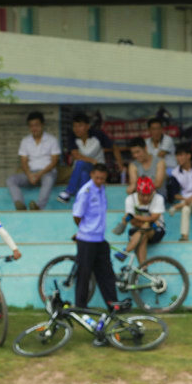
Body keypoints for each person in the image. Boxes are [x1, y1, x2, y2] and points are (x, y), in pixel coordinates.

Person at [71, 164, 120, 324]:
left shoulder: (101, 189)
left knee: (107, 274)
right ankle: (80, 307)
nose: (99, 180)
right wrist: (84, 230)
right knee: (84, 275)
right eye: (97, 177)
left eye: (102, 178)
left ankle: (113, 305)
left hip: (100, 239)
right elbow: (77, 215)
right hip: (86, 240)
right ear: (92, 175)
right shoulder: (85, 191)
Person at [7, 111, 61, 211]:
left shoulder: (52, 140)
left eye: (36, 125)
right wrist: (29, 175)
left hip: (47, 172)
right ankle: (20, 205)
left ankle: (38, 207)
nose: (34, 128)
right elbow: (23, 161)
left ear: (43, 125)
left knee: (48, 179)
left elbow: (54, 162)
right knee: (11, 180)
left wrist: (39, 174)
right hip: (30, 173)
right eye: (31, 126)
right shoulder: (25, 141)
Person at [56, 115, 106, 204]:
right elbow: (76, 155)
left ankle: (69, 191)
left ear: (87, 126)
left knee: (80, 163)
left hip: (97, 169)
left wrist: (121, 165)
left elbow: (113, 147)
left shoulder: (97, 135)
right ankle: (83, 200)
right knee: (83, 172)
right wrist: (91, 160)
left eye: (80, 126)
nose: (76, 129)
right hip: (83, 169)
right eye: (74, 126)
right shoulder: (72, 137)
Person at [120, 176, 165, 265]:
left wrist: (135, 217)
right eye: (143, 195)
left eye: (149, 195)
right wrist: (144, 221)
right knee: (143, 234)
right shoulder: (130, 199)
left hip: (156, 230)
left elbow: (154, 218)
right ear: (137, 192)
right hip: (138, 229)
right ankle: (143, 268)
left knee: (146, 226)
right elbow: (132, 221)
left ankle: (126, 251)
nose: (146, 198)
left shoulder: (158, 198)